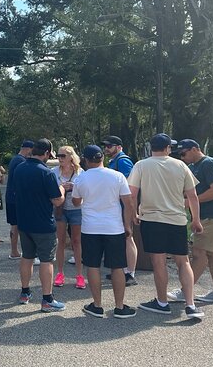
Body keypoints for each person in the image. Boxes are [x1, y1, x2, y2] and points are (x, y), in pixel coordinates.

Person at [128, 133, 205, 319]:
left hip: (152, 219)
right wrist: (196, 219)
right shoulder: (180, 165)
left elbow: (132, 194)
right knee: (183, 261)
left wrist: (133, 215)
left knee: (158, 261)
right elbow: (192, 196)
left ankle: (162, 302)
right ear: (168, 148)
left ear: (151, 147)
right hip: (177, 219)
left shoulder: (141, 165)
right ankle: (190, 304)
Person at [72, 145, 137, 318]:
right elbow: (128, 202)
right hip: (114, 227)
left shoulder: (81, 178)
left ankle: (97, 305)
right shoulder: (117, 176)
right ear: (103, 158)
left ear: (85, 159)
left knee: (92, 265)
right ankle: (119, 306)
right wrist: (127, 225)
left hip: (90, 228)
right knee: (117, 267)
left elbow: (76, 202)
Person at [12, 138, 66, 312]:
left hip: (24, 221)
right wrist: (63, 189)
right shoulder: (47, 173)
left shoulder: (19, 168)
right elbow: (57, 201)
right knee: (46, 260)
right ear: (47, 153)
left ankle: (25, 292)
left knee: (27, 256)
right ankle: (47, 298)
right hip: (43, 223)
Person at [166, 139, 213, 303]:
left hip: (211, 215)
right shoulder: (191, 167)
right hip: (204, 215)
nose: (182, 157)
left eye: (184, 153)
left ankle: (185, 291)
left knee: (198, 253)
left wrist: (192, 201)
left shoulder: (208, 163)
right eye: (180, 154)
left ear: (195, 149)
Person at [102, 135, 138, 286]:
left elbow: (129, 185)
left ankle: (130, 273)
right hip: (116, 205)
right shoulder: (114, 160)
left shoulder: (123, 161)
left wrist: (131, 209)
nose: (106, 149)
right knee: (121, 238)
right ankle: (122, 270)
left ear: (118, 146)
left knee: (128, 237)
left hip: (124, 205)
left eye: (109, 146)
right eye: (105, 146)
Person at [52, 146, 85, 289]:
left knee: (76, 241)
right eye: (58, 156)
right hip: (60, 209)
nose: (60, 158)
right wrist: (61, 188)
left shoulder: (80, 172)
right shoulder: (53, 172)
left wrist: (73, 187)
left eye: (63, 156)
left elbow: (84, 191)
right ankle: (60, 273)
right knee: (60, 241)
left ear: (71, 157)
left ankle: (79, 275)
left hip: (76, 209)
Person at [5, 140, 34, 260]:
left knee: (14, 225)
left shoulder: (14, 159)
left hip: (10, 196)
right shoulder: (21, 161)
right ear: (28, 149)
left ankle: (14, 250)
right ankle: (15, 250)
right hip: (17, 197)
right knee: (17, 225)